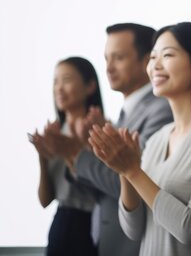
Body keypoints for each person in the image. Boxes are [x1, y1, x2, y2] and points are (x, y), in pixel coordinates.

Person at [89, 22, 191, 256]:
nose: (155, 66)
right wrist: (123, 170)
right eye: (152, 57)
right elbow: (134, 229)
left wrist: (132, 171)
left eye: (168, 55)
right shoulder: (157, 139)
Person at [64, 23, 173, 256]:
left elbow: (131, 181)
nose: (108, 68)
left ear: (147, 61)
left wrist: (75, 152)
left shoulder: (161, 110)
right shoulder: (123, 113)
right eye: (106, 59)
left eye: (119, 58)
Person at [28, 57, 102, 256]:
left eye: (67, 80)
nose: (59, 88)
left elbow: (102, 188)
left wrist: (78, 147)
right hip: (60, 224)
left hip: (92, 226)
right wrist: (42, 159)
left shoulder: (102, 130)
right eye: (55, 81)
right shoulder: (54, 133)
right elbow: (45, 201)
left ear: (90, 86)